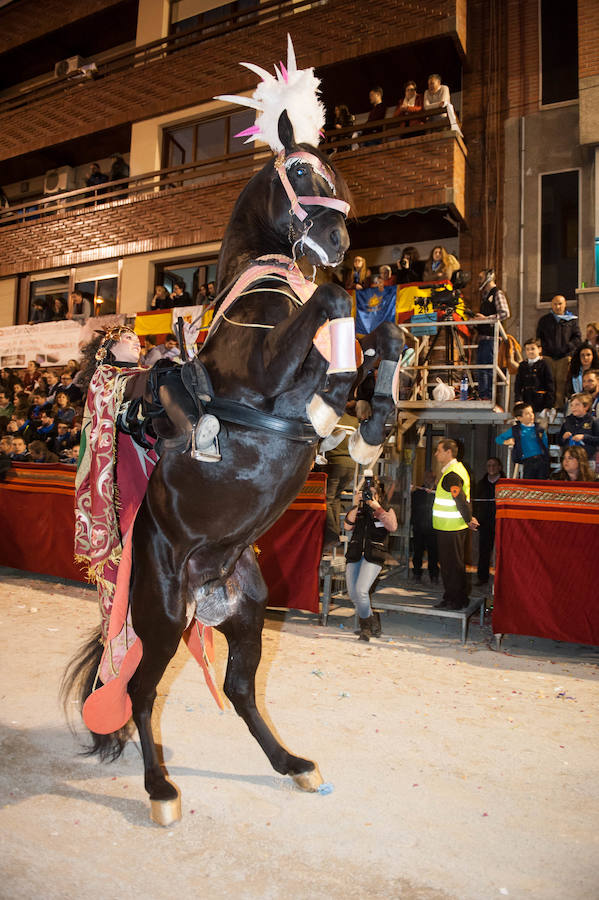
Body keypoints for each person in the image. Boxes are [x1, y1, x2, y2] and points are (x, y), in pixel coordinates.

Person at [344, 472, 397, 641]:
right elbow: (347, 526)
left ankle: (365, 628)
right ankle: (373, 621)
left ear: (378, 494)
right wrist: (356, 504)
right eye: (366, 493)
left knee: (361, 591)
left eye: (372, 493)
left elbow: (392, 526)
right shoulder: (358, 509)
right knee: (353, 595)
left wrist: (376, 507)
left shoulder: (386, 509)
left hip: (374, 555)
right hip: (355, 553)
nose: (368, 496)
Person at [432, 439, 478, 611]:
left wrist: (468, 518)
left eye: (438, 450)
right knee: (451, 565)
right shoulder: (455, 471)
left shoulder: (452, 473)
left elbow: (458, 497)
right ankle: (453, 597)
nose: (436, 454)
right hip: (451, 526)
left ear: (448, 452)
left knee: (452, 566)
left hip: (450, 527)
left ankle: (456, 600)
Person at [536, 294, 581, 410]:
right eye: (555, 304)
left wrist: (568, 347)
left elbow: (577, 338)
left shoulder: (571, 321)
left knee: (561, 381)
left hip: (564, 356)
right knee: (548, 381)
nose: (557, 306)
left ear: (565, 304)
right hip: (548, 356)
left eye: (560, 303)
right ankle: (547, 406)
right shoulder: (544, 320)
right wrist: (543, 349)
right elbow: (539, 337)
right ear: (551, 305)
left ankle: (559, 406)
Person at [322, 407, 358, 548]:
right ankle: (335, 533)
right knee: (335, 499)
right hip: (351, 465)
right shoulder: (354, 421)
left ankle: (332, 535)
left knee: (327, 499)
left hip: (335, 463)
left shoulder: (331, 418)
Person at [474, 268, 510, 400]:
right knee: (482, 368)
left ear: (488, 278)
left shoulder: (497, 293)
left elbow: (505, 313)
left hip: (491, 339)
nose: (478, 281)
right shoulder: (485, 297)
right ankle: (484, 395)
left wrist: (485, 319)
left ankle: (487, 396)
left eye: (480, 277)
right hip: (484, 338)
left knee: (487, 368)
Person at [496, 402, 550, 479]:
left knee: (542, 480)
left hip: (541, 459)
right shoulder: (516, 430)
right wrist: (508, 441)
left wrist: (545, 453)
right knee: (528, 480)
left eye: (532, 412)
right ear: (519, 418)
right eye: (527, 414)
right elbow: (498, 439)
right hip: (528, 460)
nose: (531, 415)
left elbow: (544, 440)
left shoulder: (538, 428)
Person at [473, 457, 504, 585]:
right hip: (485, 523)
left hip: (501, 522)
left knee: (502, 551)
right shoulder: (481, 484)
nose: (491, 468)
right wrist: (475, 517)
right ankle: (482, 577)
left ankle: (502, 577)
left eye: (494, 465)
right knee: (484, 551)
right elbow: (475, 503)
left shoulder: (505, 483)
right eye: (489, 465)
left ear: (499, 467)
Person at [410, 470, 439, 583]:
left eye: (430, 477)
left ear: (434, 477)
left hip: (433, 527)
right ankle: (417, 573)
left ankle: (434, 575)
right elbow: (413, 509)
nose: (428, 479)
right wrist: (414, 523)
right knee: (418, 552)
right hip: (419, 527)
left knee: (433, 553)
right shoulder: (417, 493)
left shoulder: (439, 493)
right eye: (426, 477)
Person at [514, 338, 555, 413]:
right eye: (527, 349)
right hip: (526, 401)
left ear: (539, 349)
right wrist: (518, 399)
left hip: (541, 402)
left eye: (533, 349)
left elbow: (550, 385)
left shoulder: (544, 364)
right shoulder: (522, 366)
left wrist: (549, 405)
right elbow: (518, 384)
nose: (530, 351)